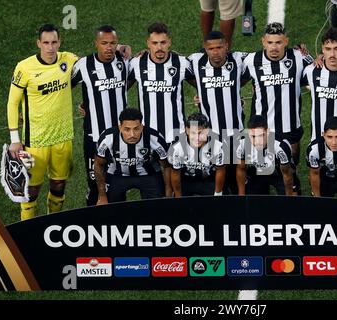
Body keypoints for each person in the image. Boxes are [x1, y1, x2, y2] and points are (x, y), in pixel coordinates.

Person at [7, 24, 78, 220]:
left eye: (54, 42)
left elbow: (92, 65)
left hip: (63, 136)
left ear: (59, 42)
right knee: (32, 189)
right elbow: (12, 103)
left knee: (59, 185)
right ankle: (28, 229)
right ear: (39, 43)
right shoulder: (25, 67)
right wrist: (15, 138)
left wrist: (118, 47)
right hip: (35, 140)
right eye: (45, 42)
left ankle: (50, 224)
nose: (50, 47)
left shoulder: (68, 60)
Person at [243, 22, 313, 195]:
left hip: (290, 128)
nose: (274, 47)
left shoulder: (299, 57)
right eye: (270, 42)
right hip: (261, 131)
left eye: (279, 42)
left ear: (286, 41)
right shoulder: (251, 60)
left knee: (290, 170)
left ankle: (291, 202)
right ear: (263, 42)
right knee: (262, 177)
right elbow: (233, 80)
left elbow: (319, 71)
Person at [128, 22, 195, 196]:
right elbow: (120, 89)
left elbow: (201, 84)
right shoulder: (136, 64)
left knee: (177, 177)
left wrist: (200, 97)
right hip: (148, 133)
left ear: (169, 42)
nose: (159, 47)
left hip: (176, 131)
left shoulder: (181, 63)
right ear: (148, 44)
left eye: (163, 43)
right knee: (155, 179)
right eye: (155, 43)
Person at [72, 25, 129, 206]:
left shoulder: (124, 61)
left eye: (113, 43)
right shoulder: (83, 65)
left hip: (121, 137)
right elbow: (62, 89)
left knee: (118, 184)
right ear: (96, 43)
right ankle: (92, 222)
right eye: (104, 43)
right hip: (94, 136)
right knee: (95, 184)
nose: (109, 47)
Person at [188, 30, 248, 194]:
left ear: (226, 46)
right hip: (209, 134)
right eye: (211, 48)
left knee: (238, 176)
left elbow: (263, 58)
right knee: (213, 179)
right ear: (205, 49)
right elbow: (171, 61)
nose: (216, 52)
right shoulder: (195, 61)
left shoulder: (238, 59)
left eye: (220, 47)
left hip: (235, 131)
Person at [94, 108, 169, 204]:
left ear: (142, 127)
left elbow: (166, 166)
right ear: (120, 127)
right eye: (127, 129)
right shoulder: (107, 139)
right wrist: (102, 196)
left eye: (136, 129)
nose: (132, 134)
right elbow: (98, 165)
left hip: (148, 174)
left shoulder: (155, 138)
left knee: (156, 207)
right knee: (111, 209)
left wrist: (168, 192)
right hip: (117, 175)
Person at [168, 113, 226, 197]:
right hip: (186, 181)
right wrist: (178, 197)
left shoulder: (218, 146)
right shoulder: (176, 147)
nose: (197, 138)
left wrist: (218, 193)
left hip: (208, 180)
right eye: (193, 133)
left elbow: (220, 170)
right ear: (187, 130)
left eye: (200, 133)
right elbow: (175, 173)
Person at [236, 115, 294, 195]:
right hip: (256, 173)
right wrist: (241, 195)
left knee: (292, 198)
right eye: (253, 136)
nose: (257, 141)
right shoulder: (242, 144)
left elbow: (287, 175)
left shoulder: (281, 147)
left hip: (279, 173)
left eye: (261, 135)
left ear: (267, 132)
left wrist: (289, 199)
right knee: (252, 201)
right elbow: (241, 169)